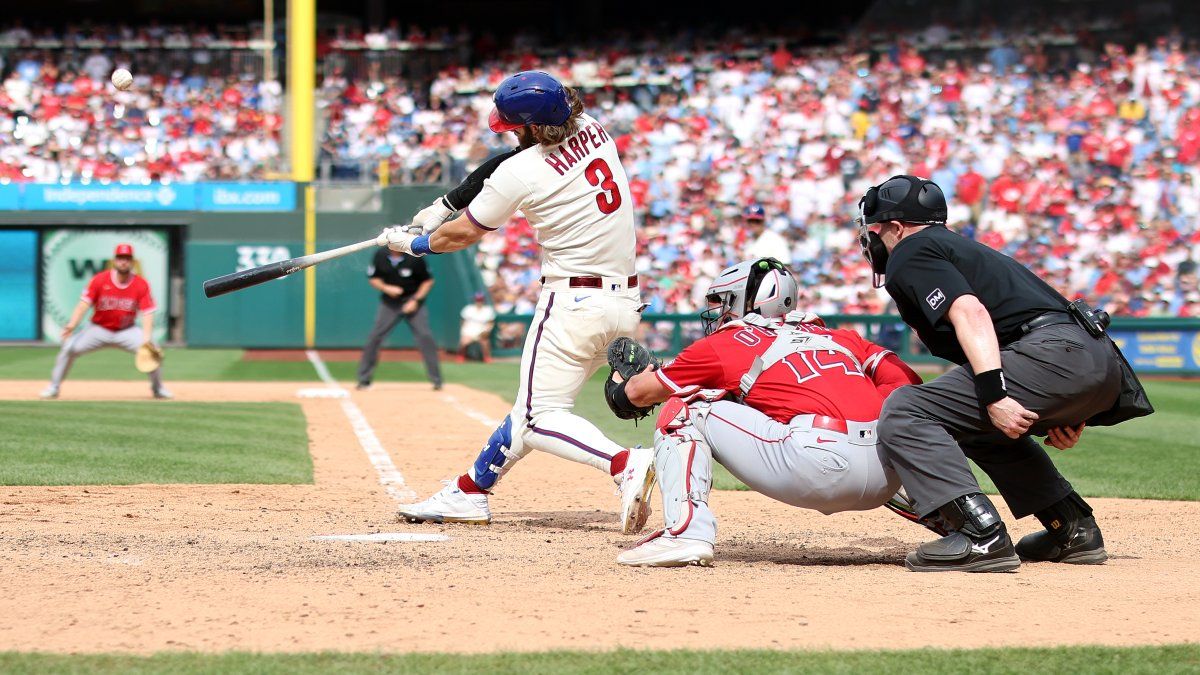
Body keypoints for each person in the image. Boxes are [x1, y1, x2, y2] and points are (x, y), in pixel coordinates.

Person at [381, 71, 655, 533]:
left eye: (514, 125)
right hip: (624, 302)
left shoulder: (521, 173)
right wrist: (446, 202)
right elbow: (502, 163)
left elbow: (464, 233)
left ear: (529, 126)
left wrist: (415, 243)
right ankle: (470, 491)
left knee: (538, 416)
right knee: (533, 406)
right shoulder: (592, 126)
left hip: (572, 303)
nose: (510, 131)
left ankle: (624, 462)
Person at [856, 174, 1127, 572]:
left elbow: (970, 312)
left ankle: (979, 535)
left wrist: (994, 393)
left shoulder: (911, 250)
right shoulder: (961, 248)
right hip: (1096, 359)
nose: (872, 238)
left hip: (1050, 354)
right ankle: (1071, 528)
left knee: (908, 409)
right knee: (975, 424)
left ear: (896, 228)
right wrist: (1072, 411)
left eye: (876, 228)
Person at [608, 258, 925, 567]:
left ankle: (686, 533)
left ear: (741, 301)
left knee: (688, 407)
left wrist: (622, 381)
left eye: (723, 302)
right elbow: (908, 383)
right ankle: (959, 521)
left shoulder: (728, 340)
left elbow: (636, 394)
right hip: (887, 475)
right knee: (892, 419)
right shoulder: (839, 337)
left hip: (816, 467)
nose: (718, 311)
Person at [41, 243, 171, 400]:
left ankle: (158, 389)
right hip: (98, 330)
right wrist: (72, 324)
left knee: (152, 350)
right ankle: (53, 387)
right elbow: (84, 304)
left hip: (126, 331)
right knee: (69, 348)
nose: (123, 261)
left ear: (132, 261)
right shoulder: (100, 280)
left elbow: (148, 312)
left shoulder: (140, 284)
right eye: (120, 258)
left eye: (127, 258)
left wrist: (147, 339)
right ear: (115, 260)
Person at [355, 248, 441, 391]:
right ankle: (364, 379)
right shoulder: (381, 254)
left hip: (413, 302)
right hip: (390, 303)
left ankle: (436, 380)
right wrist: (386, 288)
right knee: (375, 337)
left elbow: (428, 281)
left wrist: (415, 300)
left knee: (425, 336)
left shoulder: (415, 256)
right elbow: (373, 278)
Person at [458, 291, 496, 362]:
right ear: (475, 300)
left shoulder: (488, 310)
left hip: (481, 331)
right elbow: (462, 322)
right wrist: (464, 332)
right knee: (463, 342)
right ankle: (461, 356)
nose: (479, 302)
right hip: (469, 331)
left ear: (483, 300)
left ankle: (487, 358)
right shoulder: (468, 309)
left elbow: (491, 323)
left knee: (485, 342)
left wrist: (487, 331)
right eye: (477, 300)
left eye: (480, 300)